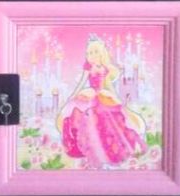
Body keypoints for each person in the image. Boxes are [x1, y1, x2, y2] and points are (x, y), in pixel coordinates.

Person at [56, 36, 147, 167]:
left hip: (102, 94)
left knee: (107, 117)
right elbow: (81, 83)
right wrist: (73, 95)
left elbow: (108, 86)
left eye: (95, 52)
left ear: (101, 53)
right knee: (83, 115)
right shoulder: (88, 68)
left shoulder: (105, 69)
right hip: (89, 94)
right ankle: (88, 146)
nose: (92, 55)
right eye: (89, 53)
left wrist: (115, 98)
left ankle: (104, 147)